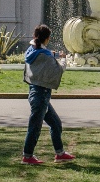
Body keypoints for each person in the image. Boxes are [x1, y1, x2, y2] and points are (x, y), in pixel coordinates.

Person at [20, 25, 69, 163]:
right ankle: (27, 156)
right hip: (41, 95)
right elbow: (59, 69)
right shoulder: (45, 56)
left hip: (37, 93)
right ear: (47, 38)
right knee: (35, 127)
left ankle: (60, 154)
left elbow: (43, 54)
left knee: (56, 124)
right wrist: (64, 58)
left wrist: (53, 54)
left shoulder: (31, 50)